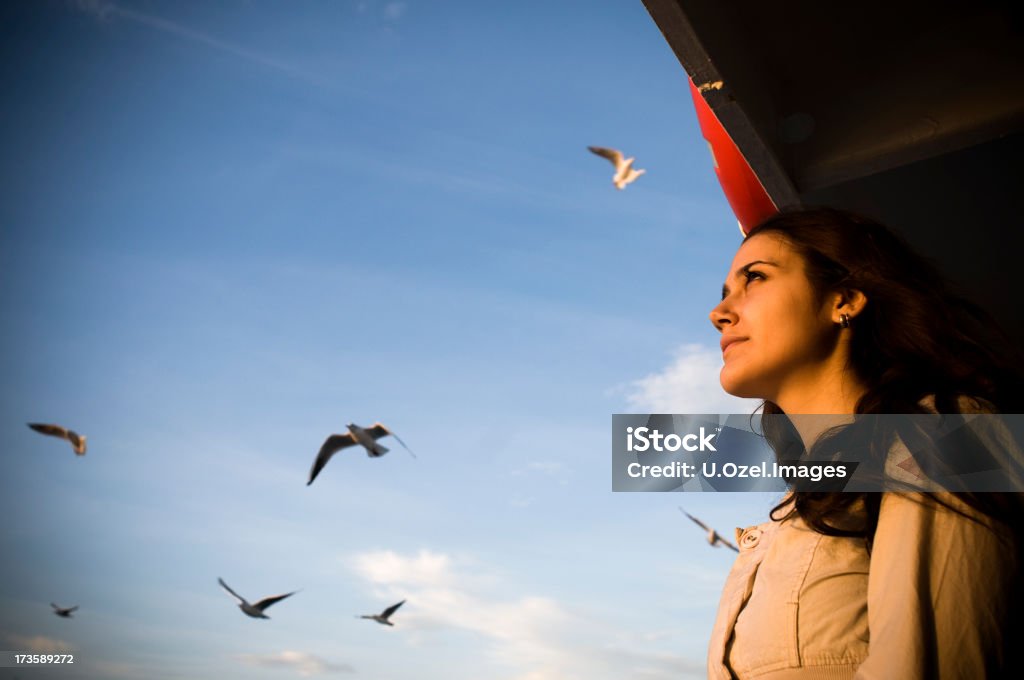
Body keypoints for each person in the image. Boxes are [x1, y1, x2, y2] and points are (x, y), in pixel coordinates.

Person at [705, 207, 1024, 679]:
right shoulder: (802, 507)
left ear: (844, 300)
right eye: (725, 293)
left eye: (755, 278)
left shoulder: (949, 433)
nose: (719, 314)